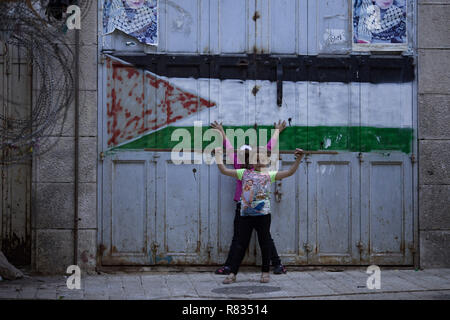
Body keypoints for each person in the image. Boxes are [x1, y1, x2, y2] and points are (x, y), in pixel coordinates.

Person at [214, 147, 304, 284]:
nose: (259, 161)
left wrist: (298, 159)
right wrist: (218, 156)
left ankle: (265, 272)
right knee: (240, 244)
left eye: (261, 158)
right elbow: (224, 170)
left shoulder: (269, 175)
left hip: (263, 215)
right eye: (255, 159)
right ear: (251, 161)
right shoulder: (243, 173)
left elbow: (290, 172)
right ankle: (232, 273)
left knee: (265, 243)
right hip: (245, 215)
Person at [210, 120, 288, 275]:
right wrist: (277, 131)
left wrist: (222, 131)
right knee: (264, 238)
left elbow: (230, 147)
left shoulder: (240, 165)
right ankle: (277, 265)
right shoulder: (249, 167)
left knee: (240, 238)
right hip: (251, 207)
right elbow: (268, 147)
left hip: (244, 206)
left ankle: (230, 267)